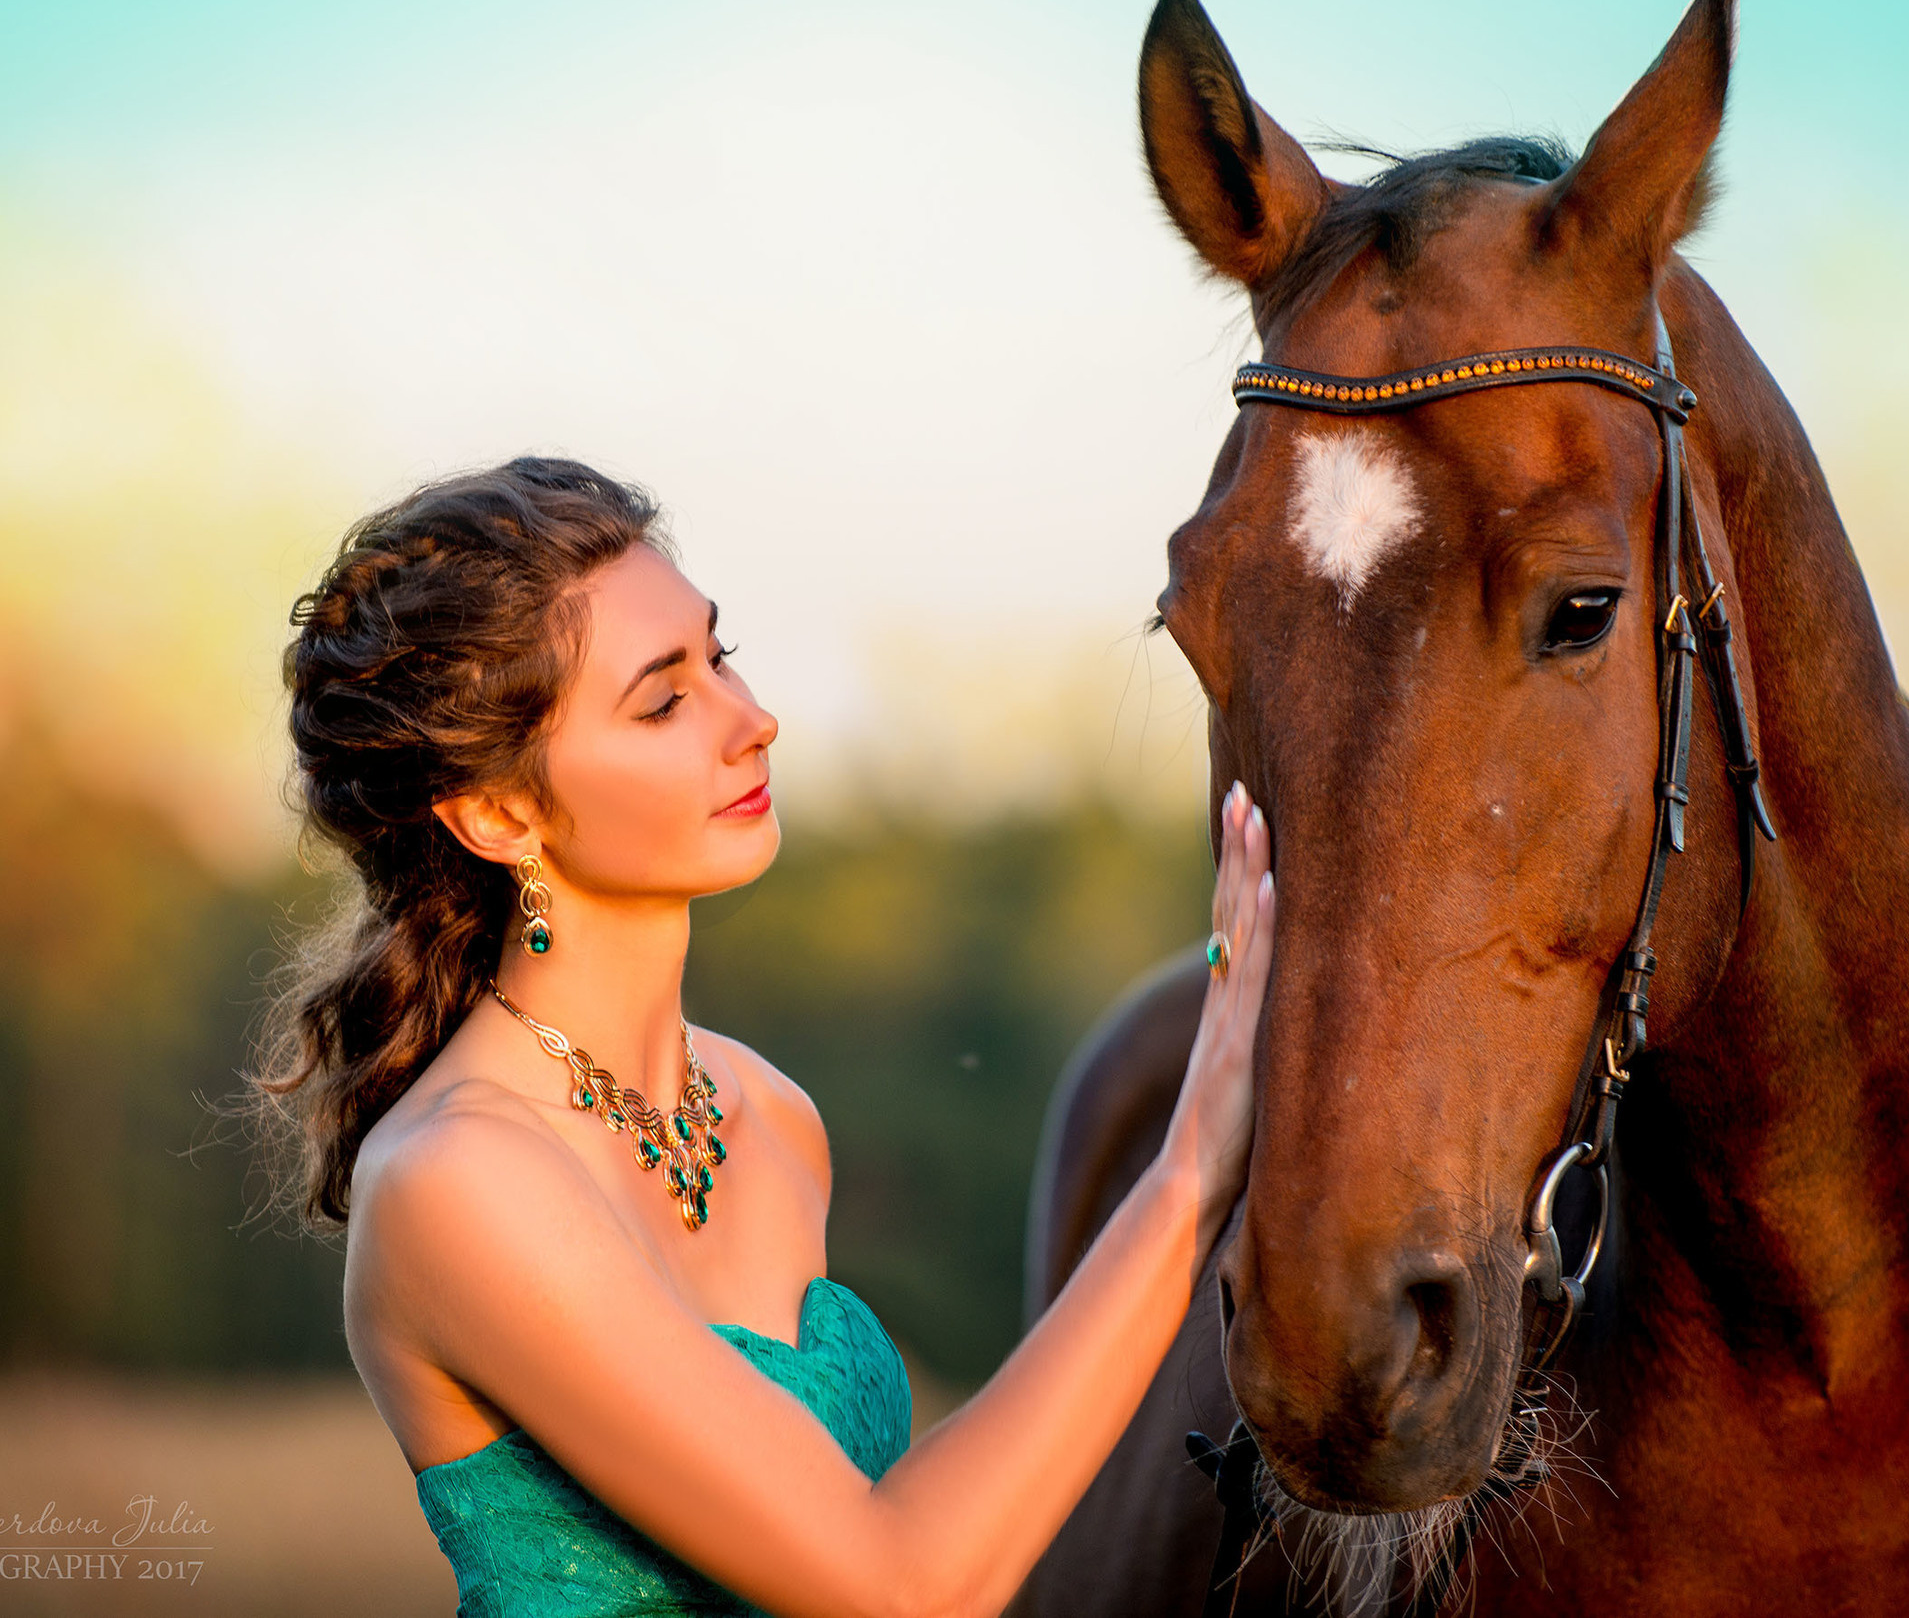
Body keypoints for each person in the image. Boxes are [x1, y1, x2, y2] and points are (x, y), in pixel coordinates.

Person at [244, 456, 1274, 1617]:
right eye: (664, 699)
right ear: (499, 813)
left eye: (718, 656)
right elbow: (899, 1586)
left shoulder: (769, 1115)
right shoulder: (458, 1180)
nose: (752, 719)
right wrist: (1191, 1162)